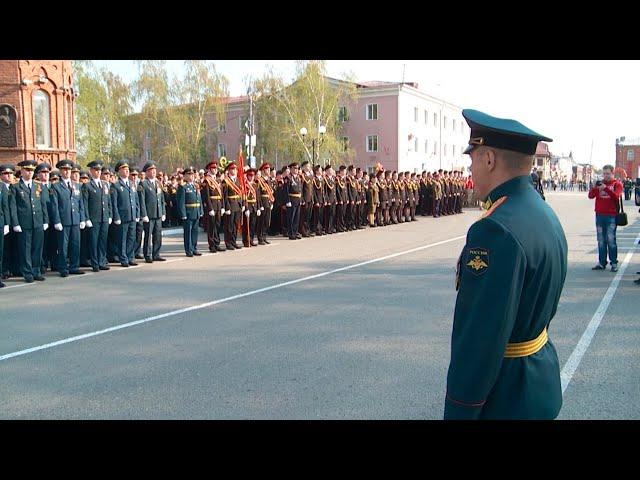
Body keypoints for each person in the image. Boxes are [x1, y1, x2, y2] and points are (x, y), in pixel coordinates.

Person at [444, 109, 567, 420]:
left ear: (489, 160)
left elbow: (480, 340)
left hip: (507, 396)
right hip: (538, 379)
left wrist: (460, 411)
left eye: (472, 158)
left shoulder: (495, 229)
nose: (469, 167)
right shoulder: (540, 211)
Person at [9, 160, 49, 282]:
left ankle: (36, 271)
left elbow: (43, 205)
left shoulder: (38, 186)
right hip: (24, 223)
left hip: (37, 221)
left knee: (37, 247)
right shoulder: (15, 187)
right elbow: (13, 206)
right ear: (21, 171)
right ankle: (27, 272)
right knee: (25, 249)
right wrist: (15, 223)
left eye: (32, 170)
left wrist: (45, 220)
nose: (30, 173)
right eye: (27, 170)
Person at [50, 159, 87, 277]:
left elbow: (80, 203)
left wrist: (82, 218)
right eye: (64, 170)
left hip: (75, 219)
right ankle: (63, 268)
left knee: (75, 244)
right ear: (60, 171)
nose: (66, 172)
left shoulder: (76, 185)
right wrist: (57, 221)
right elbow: (54, 205)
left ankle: (74, 266)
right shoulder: (56, 186)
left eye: (69, 170)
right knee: (63, 246)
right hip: (64, 220)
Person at [588, 165, 623, 272]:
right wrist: (595, 187)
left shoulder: (617, 184)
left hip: (611, 215)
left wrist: (606, 189)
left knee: (611, 240)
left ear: (612, 174)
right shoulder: (600, 184)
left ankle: (614, 262)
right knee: (601, 240)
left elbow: (616, 197)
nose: (606, 176)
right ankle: (602, 262)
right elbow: (590, 196)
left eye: (608, 174)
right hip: (599, 215)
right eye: (604, 173)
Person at [82, 160, 112, 272]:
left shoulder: (104, 185)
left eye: (99, 170)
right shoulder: (87, 186)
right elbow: (84, 203)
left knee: (102, 241)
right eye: (96, 170)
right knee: (94, 241)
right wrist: (86, 218)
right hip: (93, 218)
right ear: (91, 171)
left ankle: (102, 261)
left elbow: (108, 201)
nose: (98, 172)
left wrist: (110, 215)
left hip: (104, 217)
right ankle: (95, 263)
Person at [110, 160, 140, 267]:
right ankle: (123, 258)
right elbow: (114, 203)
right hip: (122, 217)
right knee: (122, 239)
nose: (126, 171)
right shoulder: (116, 185)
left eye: (127, 169)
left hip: (132, 216)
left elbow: (136, 201)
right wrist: (116, 216)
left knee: (131, 238)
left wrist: (137, 213)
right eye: (123, 169)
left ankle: (130, 256)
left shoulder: (132, 184)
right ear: (119, 171)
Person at [138, 161, 167, 263]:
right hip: (149, 215)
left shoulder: (158, 183)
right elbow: (142, 201)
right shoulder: (143, 184)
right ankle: (148, 254)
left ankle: (156, 254)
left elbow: (162, 199)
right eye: (151, 170)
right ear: (146, 172)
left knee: (158, 235)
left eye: (154, 170)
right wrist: (144, 214)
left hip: (158, 213)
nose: (153, 172)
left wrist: (163, 212)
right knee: (148, 236)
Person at [176, 166, 203, 257]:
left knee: (195, 231)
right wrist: (183, 214)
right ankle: (188, 250)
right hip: (188, 212)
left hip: (196, 211)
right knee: (188, 232)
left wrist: (201, 210)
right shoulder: (183, 187)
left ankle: (194, 248)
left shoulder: (196, 186)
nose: (191, 176)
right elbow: (181, 202)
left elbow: (199, 199)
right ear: (184, 176)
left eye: (192, 174)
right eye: (189, 174)